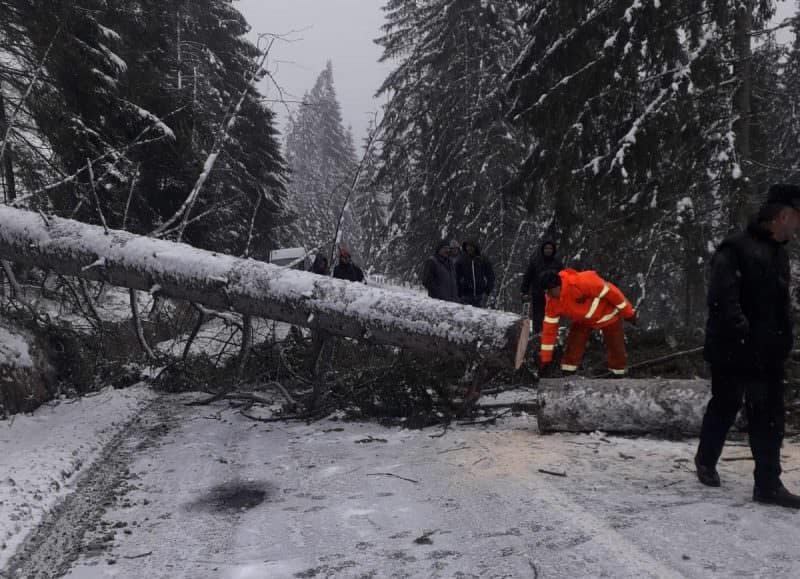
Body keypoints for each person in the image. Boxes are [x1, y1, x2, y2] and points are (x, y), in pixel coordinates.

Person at [695, 183, 800, 508]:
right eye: (797, 217)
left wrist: (783, 340)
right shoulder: (735, 250)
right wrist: (744, 336)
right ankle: (705, 460)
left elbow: (779, 307)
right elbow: (722, 302)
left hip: (768, 353)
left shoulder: (780, 255)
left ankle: (767, 484)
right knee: (725, 405)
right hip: (733, 350)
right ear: (782, 216)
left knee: (768, 416)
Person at [538, 269, 637, 376]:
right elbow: (549, 330)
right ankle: (568, 373)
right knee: (574, 344)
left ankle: (618, 375)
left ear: (558, 286)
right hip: (583, 321)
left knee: (616, 347)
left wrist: (628, 313)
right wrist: (545, 358)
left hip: (607, 316)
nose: (547, 294)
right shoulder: (552, 301)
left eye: (549, 291)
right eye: (545, 291)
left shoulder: (583, 282)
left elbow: (613, 293)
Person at [521, 240, 564, 331]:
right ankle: (537, 335)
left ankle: (550, 333)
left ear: (553, 250)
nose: (548, 250)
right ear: (543, 249)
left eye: (550, 248)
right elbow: (528, 276)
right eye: (546, 248)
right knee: (538, 315)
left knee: (551, 316)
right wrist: (524, 290)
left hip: (553, 295)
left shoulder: (558, 263)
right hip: (538, 293)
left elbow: (563, 278)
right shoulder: (535, 262)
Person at [455, 240, 495, 307]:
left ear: (475, 247)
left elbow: (490, 276)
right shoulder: (461, 260)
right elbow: (456, 277)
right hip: (465, 295)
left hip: (480, 295)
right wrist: (459, 292)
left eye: (471, 247)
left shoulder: (483, 259)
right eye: (467, 247)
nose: (469, 249)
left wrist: (487, 290)